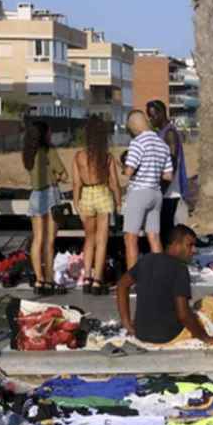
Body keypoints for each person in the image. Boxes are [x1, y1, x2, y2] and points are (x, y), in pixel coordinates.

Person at [116, 225, 213, 347]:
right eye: (189, 245)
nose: (194, 250)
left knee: (190, 306)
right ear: (176, 245)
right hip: (169, 337)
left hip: (141, 334)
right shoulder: (179, 269)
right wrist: (206, 338)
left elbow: (121, 285)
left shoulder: (147, 259)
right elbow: (183, 315)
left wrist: (127, 323)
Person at [72, 115, 121, 295]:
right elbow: (114, 183)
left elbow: (76, 183)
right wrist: (118, 201)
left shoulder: (79, 156)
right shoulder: (106, 157)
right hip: (103, 194)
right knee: (102, 241)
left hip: (86, 195)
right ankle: (98, 280)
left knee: (89, 239)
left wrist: (76, 204)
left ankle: (87, 278)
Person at [122, 109, 174, 272]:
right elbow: (168, 176)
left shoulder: (138, 143)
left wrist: (124, 171)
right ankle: (159, 276)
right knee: (154, 236)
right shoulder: (162, 144)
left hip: (139, 193)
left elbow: (129, 172)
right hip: (156, 194)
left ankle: (132, 279)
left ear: (133, 126)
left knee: (131, 237)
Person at [22, 121, 68, 296]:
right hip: (50, 194)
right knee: (49, 241)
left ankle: (39, 279)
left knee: (37, 240)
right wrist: (56, 175)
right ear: (44, 134)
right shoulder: (49, 150)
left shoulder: (28, 152)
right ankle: (49, 280)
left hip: (35, 195)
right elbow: (64, 175)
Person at [147, 100, 189, 248]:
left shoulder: (169, 133)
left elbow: (173, 162)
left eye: (152, 116)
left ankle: (170, 256)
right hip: (164, 187)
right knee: (164, 225)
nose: (151, 120)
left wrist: (163, 187)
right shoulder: (161, 133)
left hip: (169, 189)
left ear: (161, 113)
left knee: (166, 225)